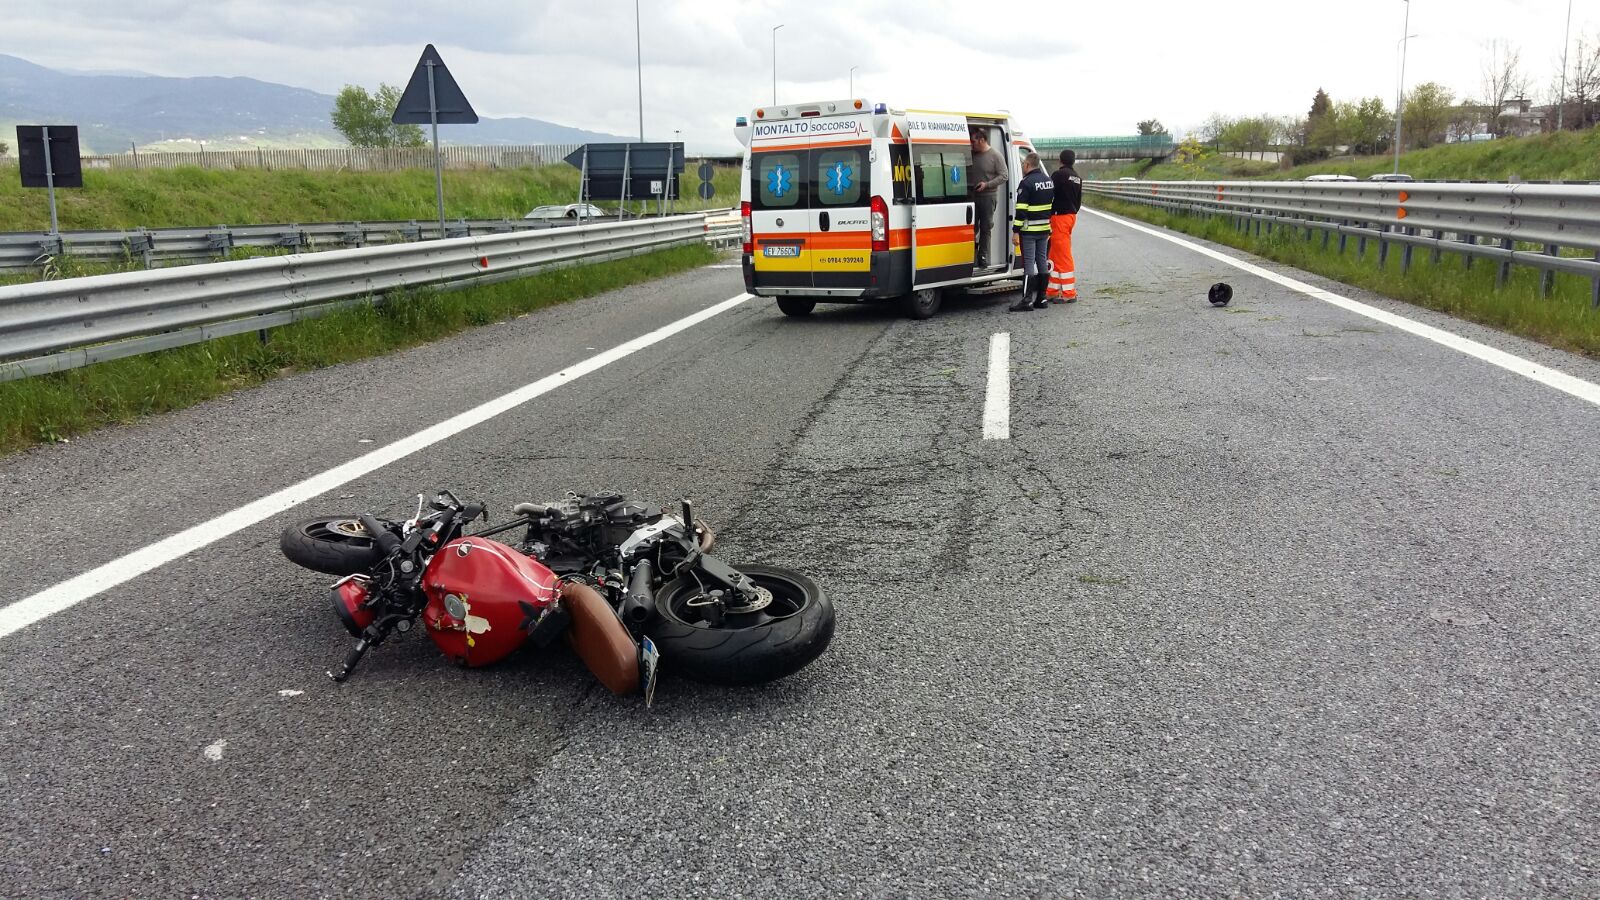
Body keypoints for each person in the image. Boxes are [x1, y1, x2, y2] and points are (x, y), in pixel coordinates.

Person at [1009, 152, 1055, 312]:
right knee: (1042, 261)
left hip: (1029, 231)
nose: (1022, 167)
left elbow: (1021, 210)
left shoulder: (1026, 183)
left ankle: (1026, 301)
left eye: (1023, 165)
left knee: (1028, 263)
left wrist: (1015, 231)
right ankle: (1041, 298)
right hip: (1044, 229)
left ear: (1027, 165)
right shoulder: (1048, 181)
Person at [1046, 149, 1083, 303]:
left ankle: (1069, 293)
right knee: (1054, 255)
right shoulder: (1077, 177)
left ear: (1060, 160)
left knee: (1063, 255)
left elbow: (1048, 194)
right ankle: (1053, 290)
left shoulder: (1058, 175)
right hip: (1070, 216)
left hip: (1059, 217)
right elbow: (1079, 201)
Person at [969, 128, 1008, 268]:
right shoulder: (972, 154)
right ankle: (969, 257)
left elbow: (1004, 175)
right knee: (971, 228)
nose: (971, 144)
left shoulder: (995, 155)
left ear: (982, 140)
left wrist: (987, 184)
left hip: (988, 197)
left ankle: (983, 256)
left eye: (973, 141)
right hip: (972, 197)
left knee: (986, 228)